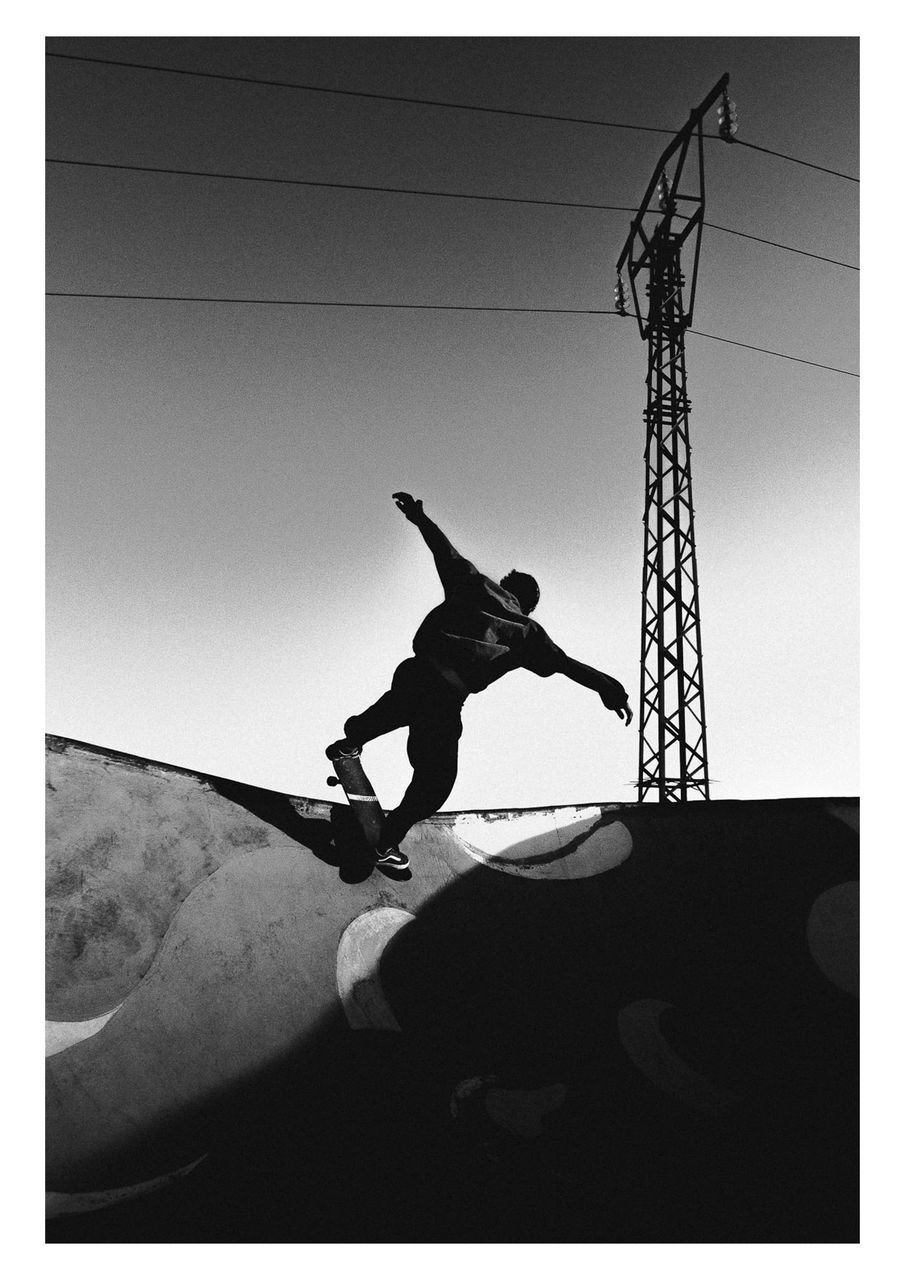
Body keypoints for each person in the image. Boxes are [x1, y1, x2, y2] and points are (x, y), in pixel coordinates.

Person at [327, 493, 632, 876]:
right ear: (530, 605)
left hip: (416, 672)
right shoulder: (527, 631)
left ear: (505, 584)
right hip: (446, 698)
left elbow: (443, 550)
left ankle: (355, 736)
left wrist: (420, 517)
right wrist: (608, 687)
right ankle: (388, 840)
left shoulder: (474, 583)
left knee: (400, 703)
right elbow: (568, 666)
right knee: (435, 783)